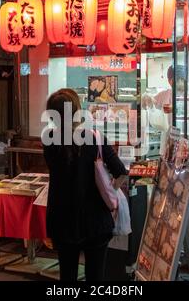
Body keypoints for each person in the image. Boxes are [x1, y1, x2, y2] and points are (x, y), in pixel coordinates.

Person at [42, 88, 128, 281]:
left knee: (68, 276)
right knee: (95, 277)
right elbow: (121, 172)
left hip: (62, 220)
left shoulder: (48, 142)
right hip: (96, 219)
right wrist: (109, 191)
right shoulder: (94, 138)